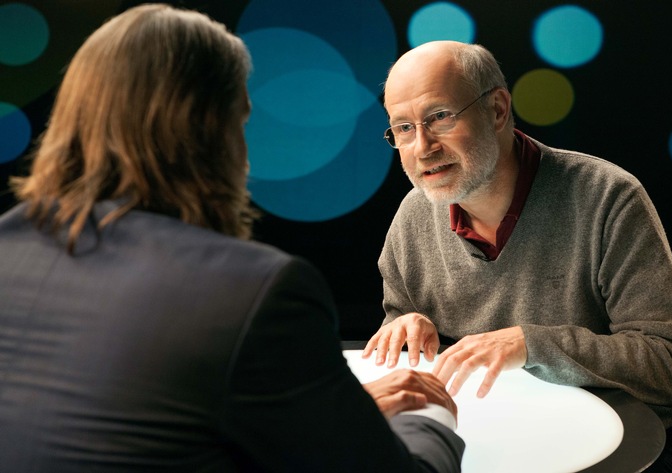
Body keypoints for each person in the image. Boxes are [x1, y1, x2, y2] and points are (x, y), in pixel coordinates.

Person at [0, 5, 465, 472]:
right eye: (242, 121)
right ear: (213, 131)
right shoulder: (256, 292)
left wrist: (326, 412)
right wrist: (430, 418)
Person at [363, 40, 672, 472]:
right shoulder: (414, 213)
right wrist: (405, 327)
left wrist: (531, 343)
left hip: (614, 448)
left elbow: (669, 368)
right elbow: (406, 343)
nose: (422, 147)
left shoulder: (607, 198)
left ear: (498, 109)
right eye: (403, 128)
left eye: (440, 117)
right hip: (497, 436)